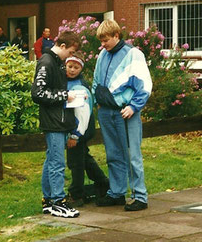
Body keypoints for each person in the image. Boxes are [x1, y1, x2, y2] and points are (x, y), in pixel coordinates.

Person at [92, 19, 152, 211]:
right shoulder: (103, 54)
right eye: (101, 41)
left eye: (106, 40)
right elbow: (96, 81)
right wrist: (97, 103)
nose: (102, 45)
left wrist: (134, 107)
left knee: (132, 153)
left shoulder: (133, 55)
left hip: (125, 112)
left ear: (117, 36)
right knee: (113, 154)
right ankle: (117, 193)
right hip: (106, 112)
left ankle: (140, 196)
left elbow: (144, 84)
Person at [31, 31, 81, 218]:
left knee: (51, 160)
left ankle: (48, 200)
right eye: (69, 52)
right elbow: (37, 93)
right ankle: (58, 201)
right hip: (53, 122)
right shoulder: (47, 62)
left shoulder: (56, 62)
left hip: (58, 120)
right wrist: (63, 96)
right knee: (57, 163)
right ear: (61, 46)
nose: (69, 57)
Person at [65, 52, 109, 207]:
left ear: (81, 69)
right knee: (84, 158)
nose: (71, 70)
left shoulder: (79, 88)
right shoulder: (68, 83)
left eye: (75, 67)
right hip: (79, 130)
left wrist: (75, 136)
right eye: (69, 66)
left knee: (75, 162)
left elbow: (81, 114)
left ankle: (77, 194)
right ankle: (103, 183)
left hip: (79, 130)